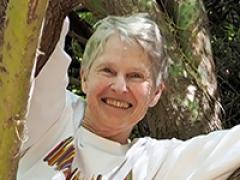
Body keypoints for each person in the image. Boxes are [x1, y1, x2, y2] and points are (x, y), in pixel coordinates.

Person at [17, 14, 240, 180]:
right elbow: (41, 28)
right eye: (108, 71)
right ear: (84, 77)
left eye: (135, 76)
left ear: (156, 93)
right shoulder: (51, 114)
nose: (120, 87)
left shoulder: (153, 164)